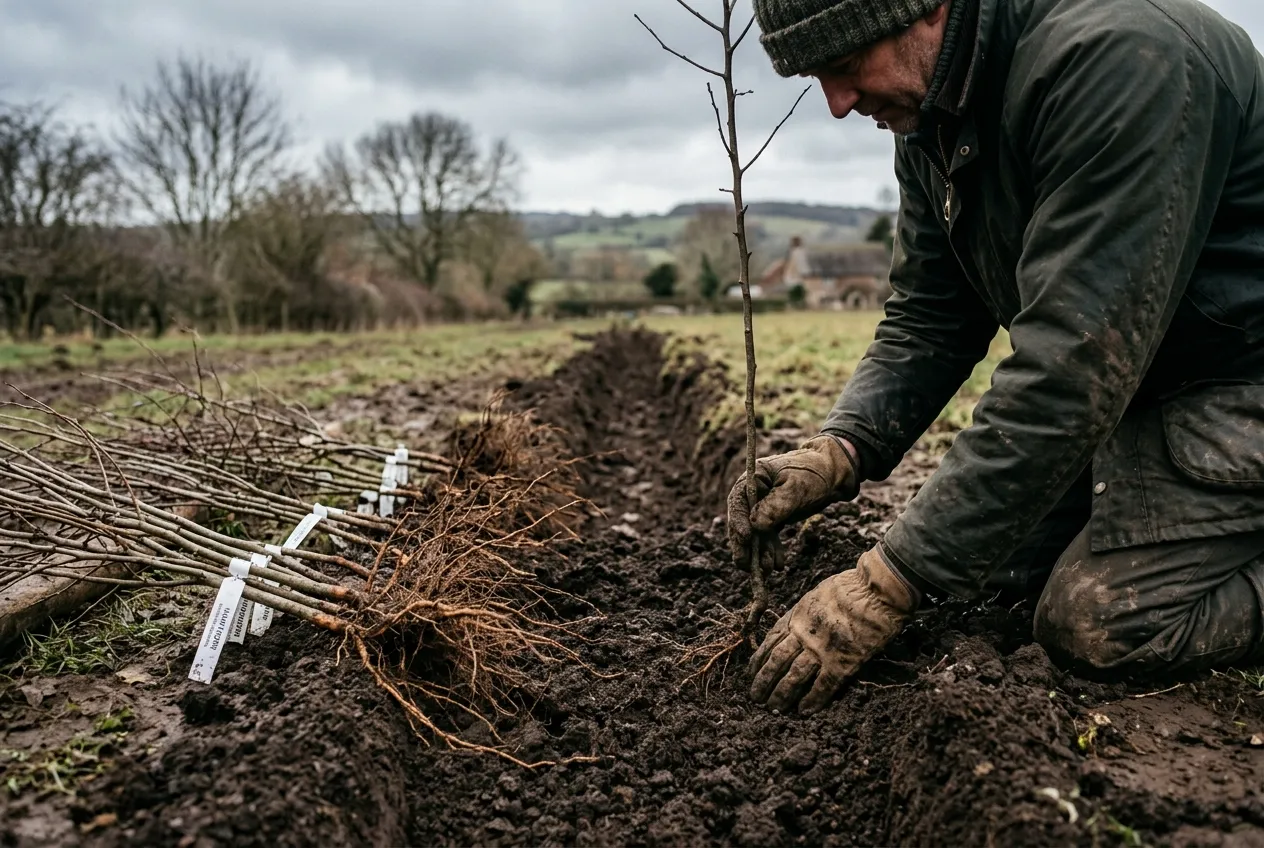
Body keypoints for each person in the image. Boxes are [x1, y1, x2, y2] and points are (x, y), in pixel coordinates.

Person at [730, 0, 1264, 715]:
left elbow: (1073, 363)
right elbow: (931, 312)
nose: (837, 104)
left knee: (1099, 621)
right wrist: (843, 447)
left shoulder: (1115, 60)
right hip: (1151, 387)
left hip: (1236, 384)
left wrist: (889, 580)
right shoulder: (934, 110)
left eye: (845, 67)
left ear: (927, 10)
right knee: (985, 575)